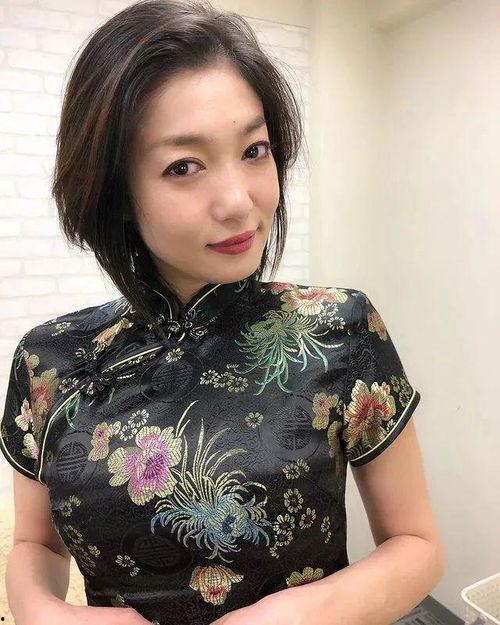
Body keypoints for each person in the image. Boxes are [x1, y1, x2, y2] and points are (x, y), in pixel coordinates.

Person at [0, 1, 433, 625]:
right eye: (184, 166)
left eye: (255, 150)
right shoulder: (50, 360)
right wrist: (43, 613)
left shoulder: (340, 328)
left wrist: (300, 615)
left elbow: (416, 544)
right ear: (115, 191)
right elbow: (35, 545)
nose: (237, 201)